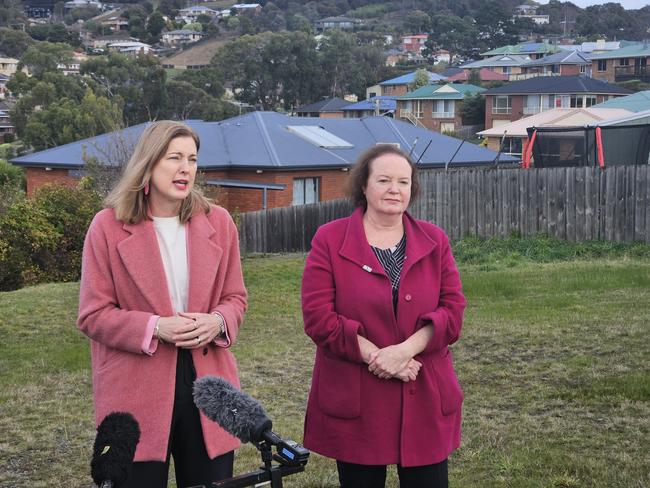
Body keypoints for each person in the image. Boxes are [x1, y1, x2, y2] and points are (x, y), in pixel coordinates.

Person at [77, 120, 247, 488]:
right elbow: (93, 314)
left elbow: (235, 298)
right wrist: (155, 327)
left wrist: (217, 321)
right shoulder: (106, 226)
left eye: (192, 159)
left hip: (208, 382)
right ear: (149, 165)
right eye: (174, 158)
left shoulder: (219, 222)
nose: (186, 168)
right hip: (134, 385)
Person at [301, 145, 466, 488]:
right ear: (363, 185)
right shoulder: (329, 240)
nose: (395, 189)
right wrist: (381, 358)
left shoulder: (435, 241)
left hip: (424, 392)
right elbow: (318, 318)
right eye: (385, 180)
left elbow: (452, 312)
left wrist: (403, 352)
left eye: (403, 182)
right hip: (359, 398)